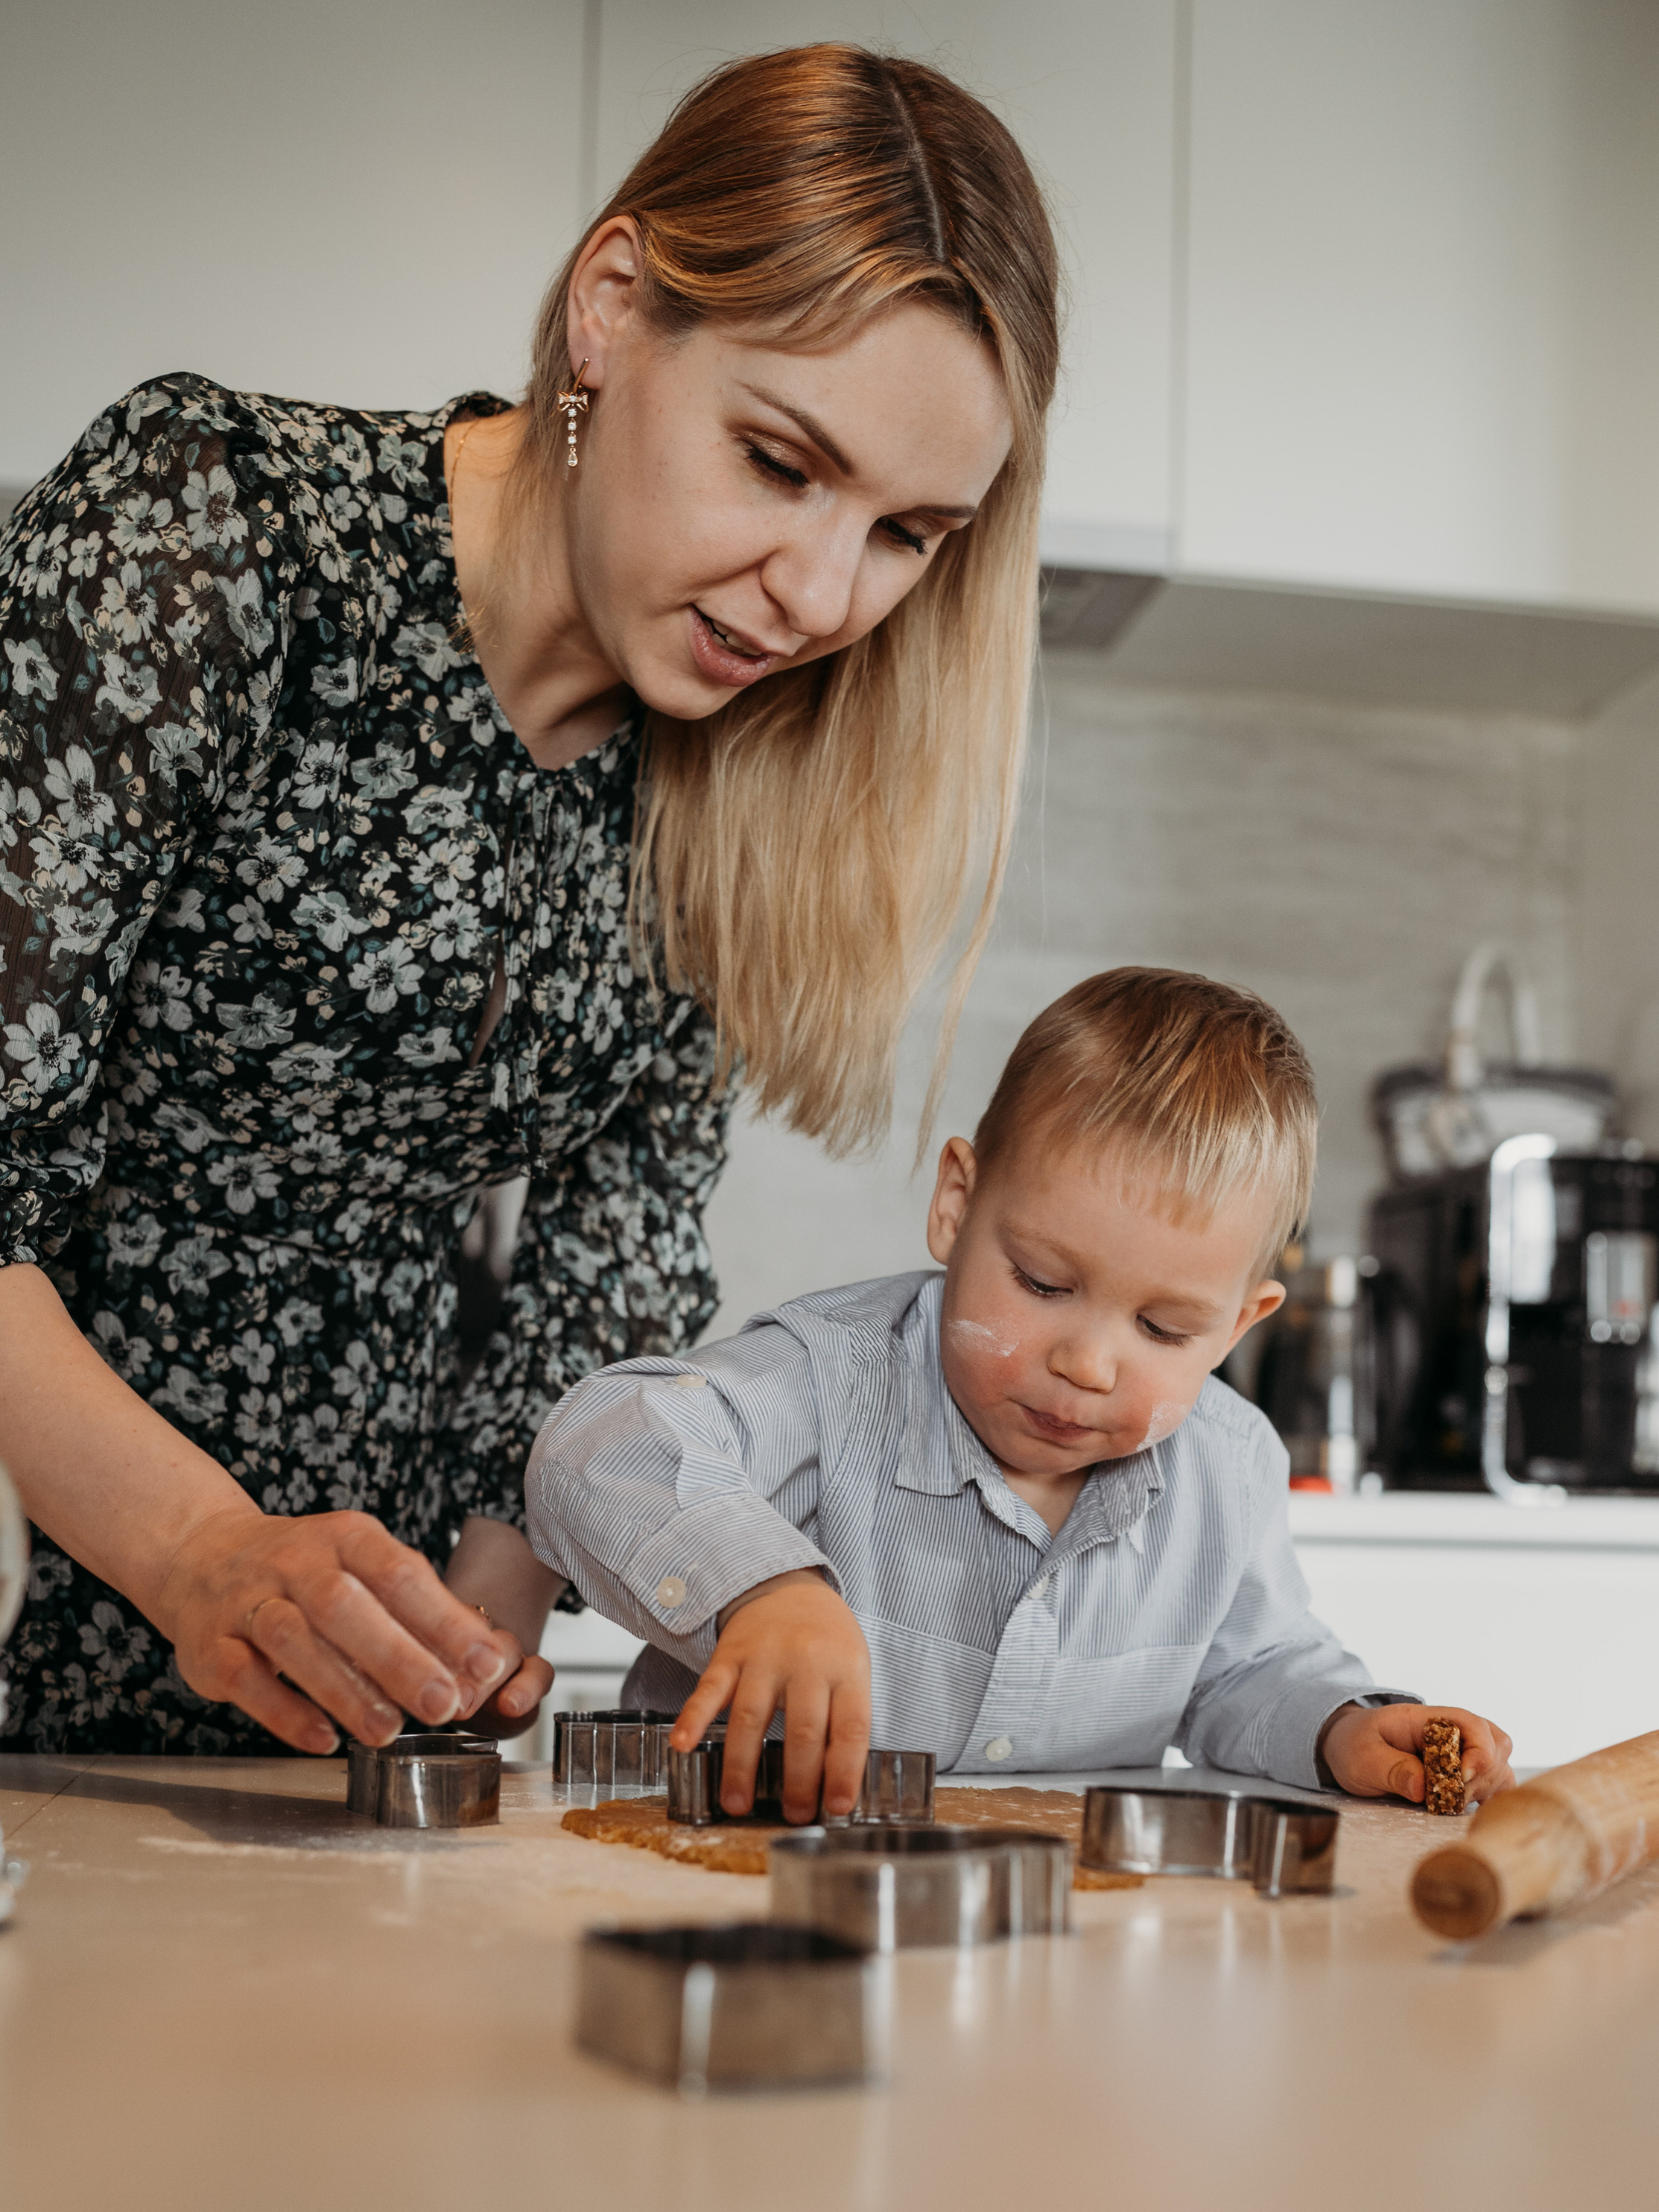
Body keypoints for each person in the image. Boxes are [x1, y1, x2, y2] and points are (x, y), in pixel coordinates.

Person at [0, 46, 1058, 1758]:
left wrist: (455, 1660)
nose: (817, 595)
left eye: (904, 535)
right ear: (611, 308)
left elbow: (609, 1260)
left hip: (345, 1705)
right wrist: (199, 1556)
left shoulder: (736, 770)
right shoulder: (218, 530)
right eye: (777, 462)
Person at [526, 969, 1514, 1822]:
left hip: (1036, 1942)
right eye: (1043, 1283)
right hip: (730, 1889)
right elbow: (598, 1443)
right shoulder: (831, 1379)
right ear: (957, 1205)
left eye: (1165, 1331)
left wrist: (1343, 1730)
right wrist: (761, 1587)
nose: (1088, 1364)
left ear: (1238, 1327)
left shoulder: (1231, 1465)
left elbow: (1248, 1672)